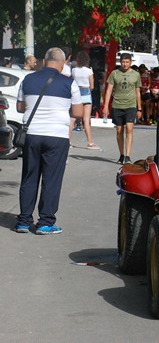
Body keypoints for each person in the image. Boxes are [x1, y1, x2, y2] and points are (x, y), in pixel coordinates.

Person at [15, 47, 83, 234]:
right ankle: (45, 222)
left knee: (29, 177)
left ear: (44, 62)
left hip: (32, 134)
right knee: (51, 179)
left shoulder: (28, 79)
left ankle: (23, 221)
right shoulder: (69, 83)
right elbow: (77, 113)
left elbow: (20, 107)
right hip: (57, 136)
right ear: (62, 64)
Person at [102, 53, 142, 164]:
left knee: (129, 129)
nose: (125, 64)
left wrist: (139, 108)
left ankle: (128, 156)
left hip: (131, 105)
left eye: (127, 62)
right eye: (123, 62)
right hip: (117, 105)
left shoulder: (136, 74)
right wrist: (106, 106)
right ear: (120, 62)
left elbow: (137, 92)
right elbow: (109, 90)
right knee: (119, 131)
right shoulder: (115, 73)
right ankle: (121, 154)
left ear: (130, 62)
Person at [71, 50, 99, 149]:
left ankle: (68, 142)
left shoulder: (74, 70)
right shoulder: (89, 71)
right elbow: (92, 86)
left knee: (72, 118)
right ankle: (90, 142)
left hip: (76, 93)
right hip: (86, 94)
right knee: (86, 119)